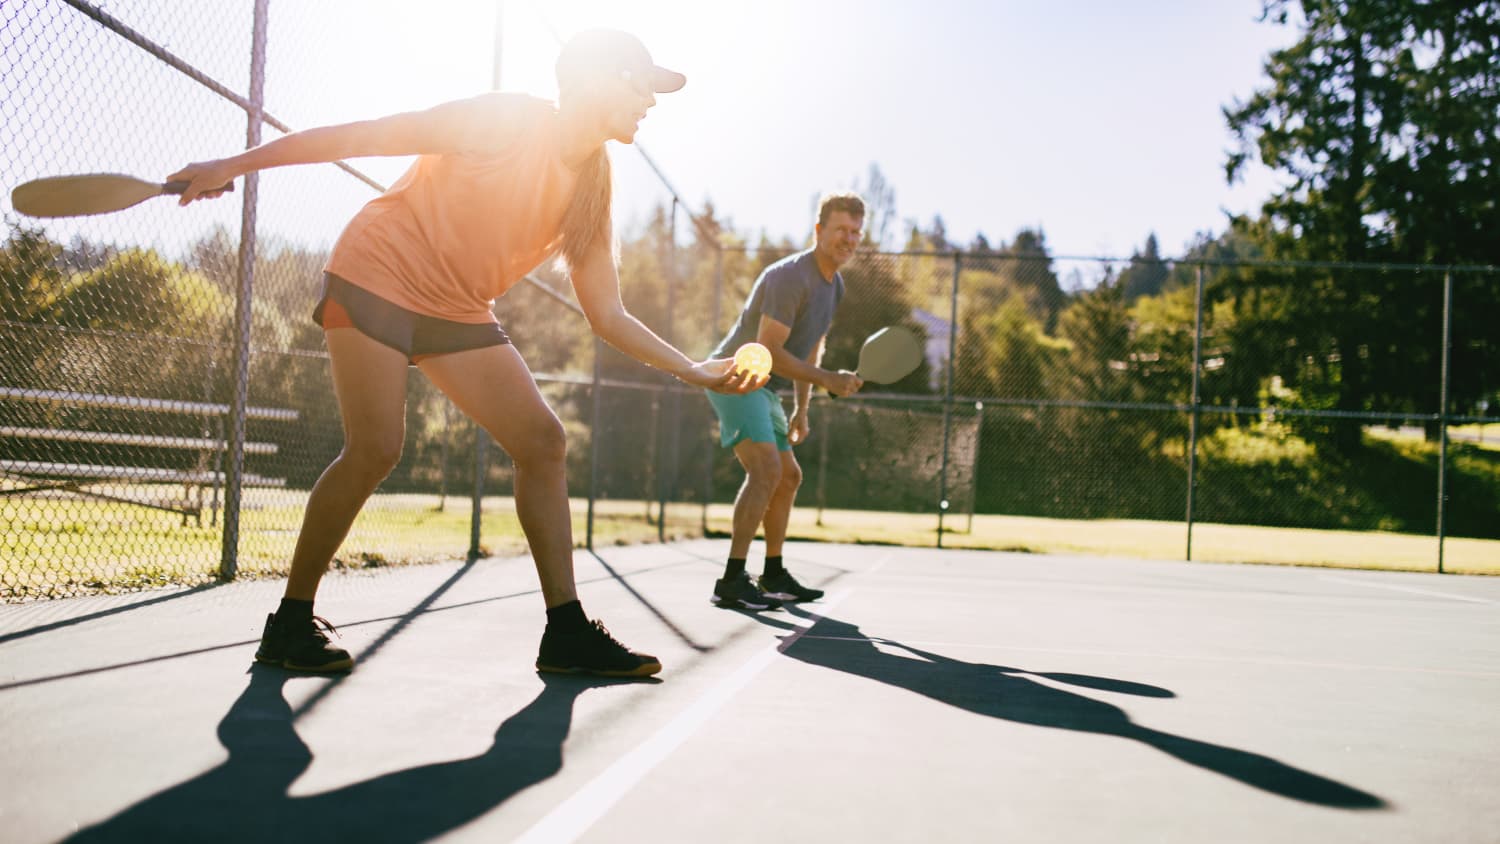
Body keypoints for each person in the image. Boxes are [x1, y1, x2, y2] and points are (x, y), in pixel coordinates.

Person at [169, 30, 764, 678]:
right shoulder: (506, 121)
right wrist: (234, 164)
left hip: (455, 306)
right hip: (381, 268)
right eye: (640, 84)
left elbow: (608, 314)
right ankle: (289, 622)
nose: (650, 101)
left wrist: (694, 370)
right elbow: (363, 135)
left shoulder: (592, 184)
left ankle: (565, 633)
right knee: (376, 449)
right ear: (599, 81)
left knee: (542, 441)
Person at [702, 193, 865, 609]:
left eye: (855, 232)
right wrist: (828, 379)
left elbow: (811, 348)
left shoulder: (835, 285)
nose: (848, 239)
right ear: (819, 231)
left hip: (766, 388)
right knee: (766, 470)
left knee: (788, 477)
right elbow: (769, 350)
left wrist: (803, 406)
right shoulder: (790, 276)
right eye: (840, 230)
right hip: (736, 377)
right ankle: (732, 580)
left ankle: (773, 574)